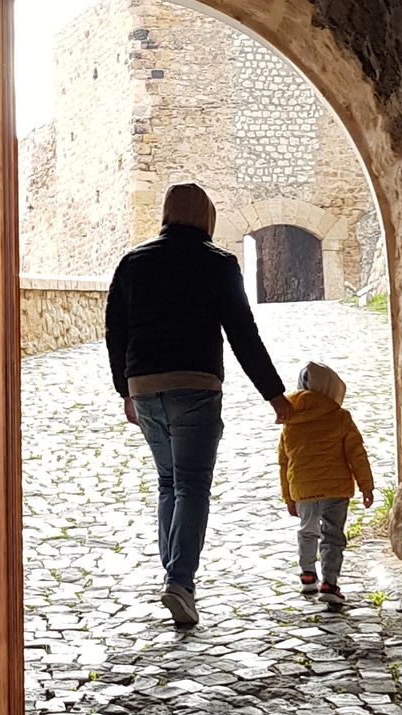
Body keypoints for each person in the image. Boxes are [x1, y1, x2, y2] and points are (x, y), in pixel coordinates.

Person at [105, 181, 294, 631]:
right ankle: (179, 581)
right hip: (196, 384)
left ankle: (174, 575)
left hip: (145, 386)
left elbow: (116, 330)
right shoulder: (219, 264)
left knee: (169, 482)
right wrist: (274, 394)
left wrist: (125, 391)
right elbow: (243, 333)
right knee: (191, 484)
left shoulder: (132, 262)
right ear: (207, 217)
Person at [277, 360, 375, 611]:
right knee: (333, 536)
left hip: (303, 490)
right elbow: (356, 454)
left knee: (307, 530)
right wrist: (366, 485)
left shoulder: (291, 420)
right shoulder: (340, 417)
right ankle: (329, 585)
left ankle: (307, 575)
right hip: (336, 490)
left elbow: (284, 462)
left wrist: (288, 497)